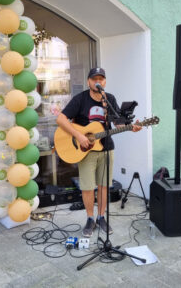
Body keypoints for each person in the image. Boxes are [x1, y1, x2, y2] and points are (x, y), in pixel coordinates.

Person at [56, 67, 142, 237]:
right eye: (95, 78)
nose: (98, 81)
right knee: (88, 188)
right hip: (86, 150)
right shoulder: (80, 99)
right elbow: (60, 119)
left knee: (103, 186)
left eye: (101, 79)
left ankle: (101, 216)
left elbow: (117, 123)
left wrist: (130, 127)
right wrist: (79, 136)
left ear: (104, 81)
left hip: (106, 148)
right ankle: (90, 218)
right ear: (89, 81)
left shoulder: (109, 99)